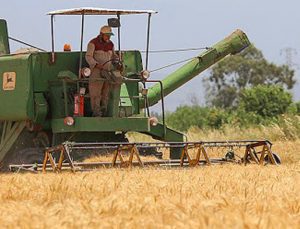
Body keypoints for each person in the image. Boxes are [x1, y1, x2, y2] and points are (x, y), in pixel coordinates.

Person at [86, 25, 117, 117]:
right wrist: (96, 64)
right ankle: (96, 112)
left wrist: (117, 59)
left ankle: (104, 110)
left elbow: (113, 56)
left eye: (110, 35)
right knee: (96, 93)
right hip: (96, 71)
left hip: (108, 71)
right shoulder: (92, 43)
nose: (108, 37)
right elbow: (88, 57)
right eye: (107, 35)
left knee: (106, 92)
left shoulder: (111, 44)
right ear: (101, 34)